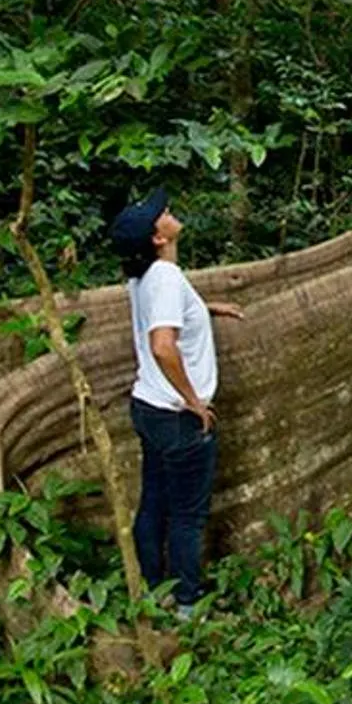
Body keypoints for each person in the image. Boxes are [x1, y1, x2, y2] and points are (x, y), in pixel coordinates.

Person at [110, 190, 241, 612]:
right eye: (161, 214)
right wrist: (194, 401)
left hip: (148, 409)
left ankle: (152, 590)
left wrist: (205, 308)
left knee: (154, 501)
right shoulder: (164, 278)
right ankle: (188, 605)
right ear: (158, 238)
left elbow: (165, 311)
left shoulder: (145, 276)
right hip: (177, 416)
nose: (168, 212)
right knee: (188, 516)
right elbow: (163, 345)